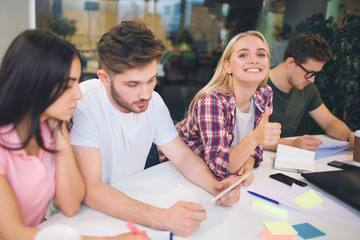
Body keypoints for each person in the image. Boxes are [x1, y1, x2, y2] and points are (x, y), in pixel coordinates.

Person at [70, 21, 242, 237]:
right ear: (104, 78)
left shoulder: (155, 102)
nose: (145, 94)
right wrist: (163, 218)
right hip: (83, 221)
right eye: (132, 84)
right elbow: (91, 189)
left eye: (151, 80)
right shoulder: (84, 102)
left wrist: (216, 186)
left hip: (127, 207)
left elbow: (183, 158)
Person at [0, 30, 149, 240]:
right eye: (68, 85)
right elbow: (12, 234)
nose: (78, 94)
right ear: (34, 83)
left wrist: (59, 131)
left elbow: (70, 205)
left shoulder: (47, 129)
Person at [163, 31, 281, 181]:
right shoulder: (211, 101)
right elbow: (220, 167)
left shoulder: (264, 94)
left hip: (211, 173)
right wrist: (254, 138)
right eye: (243, 55)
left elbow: (257, 146)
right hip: (172, 171)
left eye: (261, 54)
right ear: (228, 66)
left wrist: (249, 160)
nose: (254, 60)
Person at [266, 33, 355, 151]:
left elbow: (329, 122)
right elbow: (245, 137)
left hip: (285, 159)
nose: (312, 80)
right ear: (291, 63)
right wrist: (291, 144)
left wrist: (349, 136)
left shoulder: (307, 89)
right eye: (309, 73)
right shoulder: (256, 85)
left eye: (316, 74)